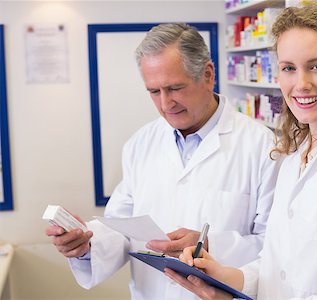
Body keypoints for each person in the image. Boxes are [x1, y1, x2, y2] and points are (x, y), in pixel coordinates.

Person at [165, 3, 317, 299]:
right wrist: (226, 280)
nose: (301, 84)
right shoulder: (296, 158)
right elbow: (276, 267)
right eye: (289, 68)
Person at [45, 23, 281, 299]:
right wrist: (85, 244)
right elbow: (120, 226)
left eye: (175, 88)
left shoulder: (263, 147)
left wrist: (210, 245)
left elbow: (275, 246)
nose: (166, 103)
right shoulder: (140, 144)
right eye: (154, 92)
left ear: (208, 75)